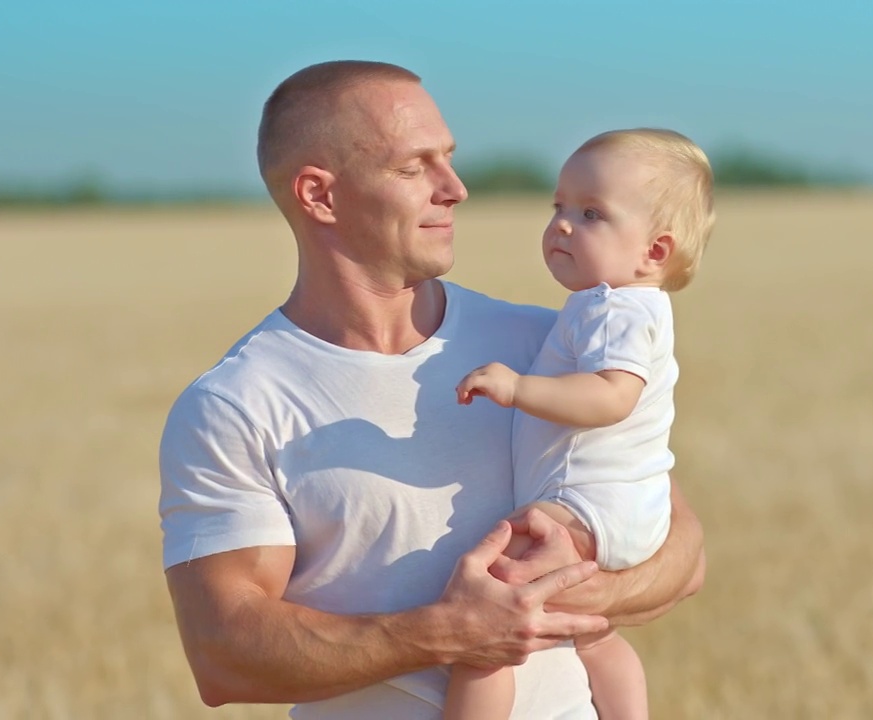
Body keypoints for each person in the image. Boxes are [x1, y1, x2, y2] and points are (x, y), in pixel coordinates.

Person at [157, 60, 706, 720]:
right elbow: (223, 654)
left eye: (449, 159)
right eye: (416, 167)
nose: (456, 188)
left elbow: (683, 553)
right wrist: (448, 631)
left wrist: (575, 586)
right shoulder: (234, 406)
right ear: (319, 196)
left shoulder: (548, 344)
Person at [446, 129, 714, 719]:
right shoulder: (623, 305)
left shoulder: (614, 307)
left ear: (655, 252)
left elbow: (613, 397)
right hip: (629, 508)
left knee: (483, 628)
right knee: (593, 635)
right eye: (559, 207)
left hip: (587, 503)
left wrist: (518, 389)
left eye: (592, 213)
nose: (563, 224)